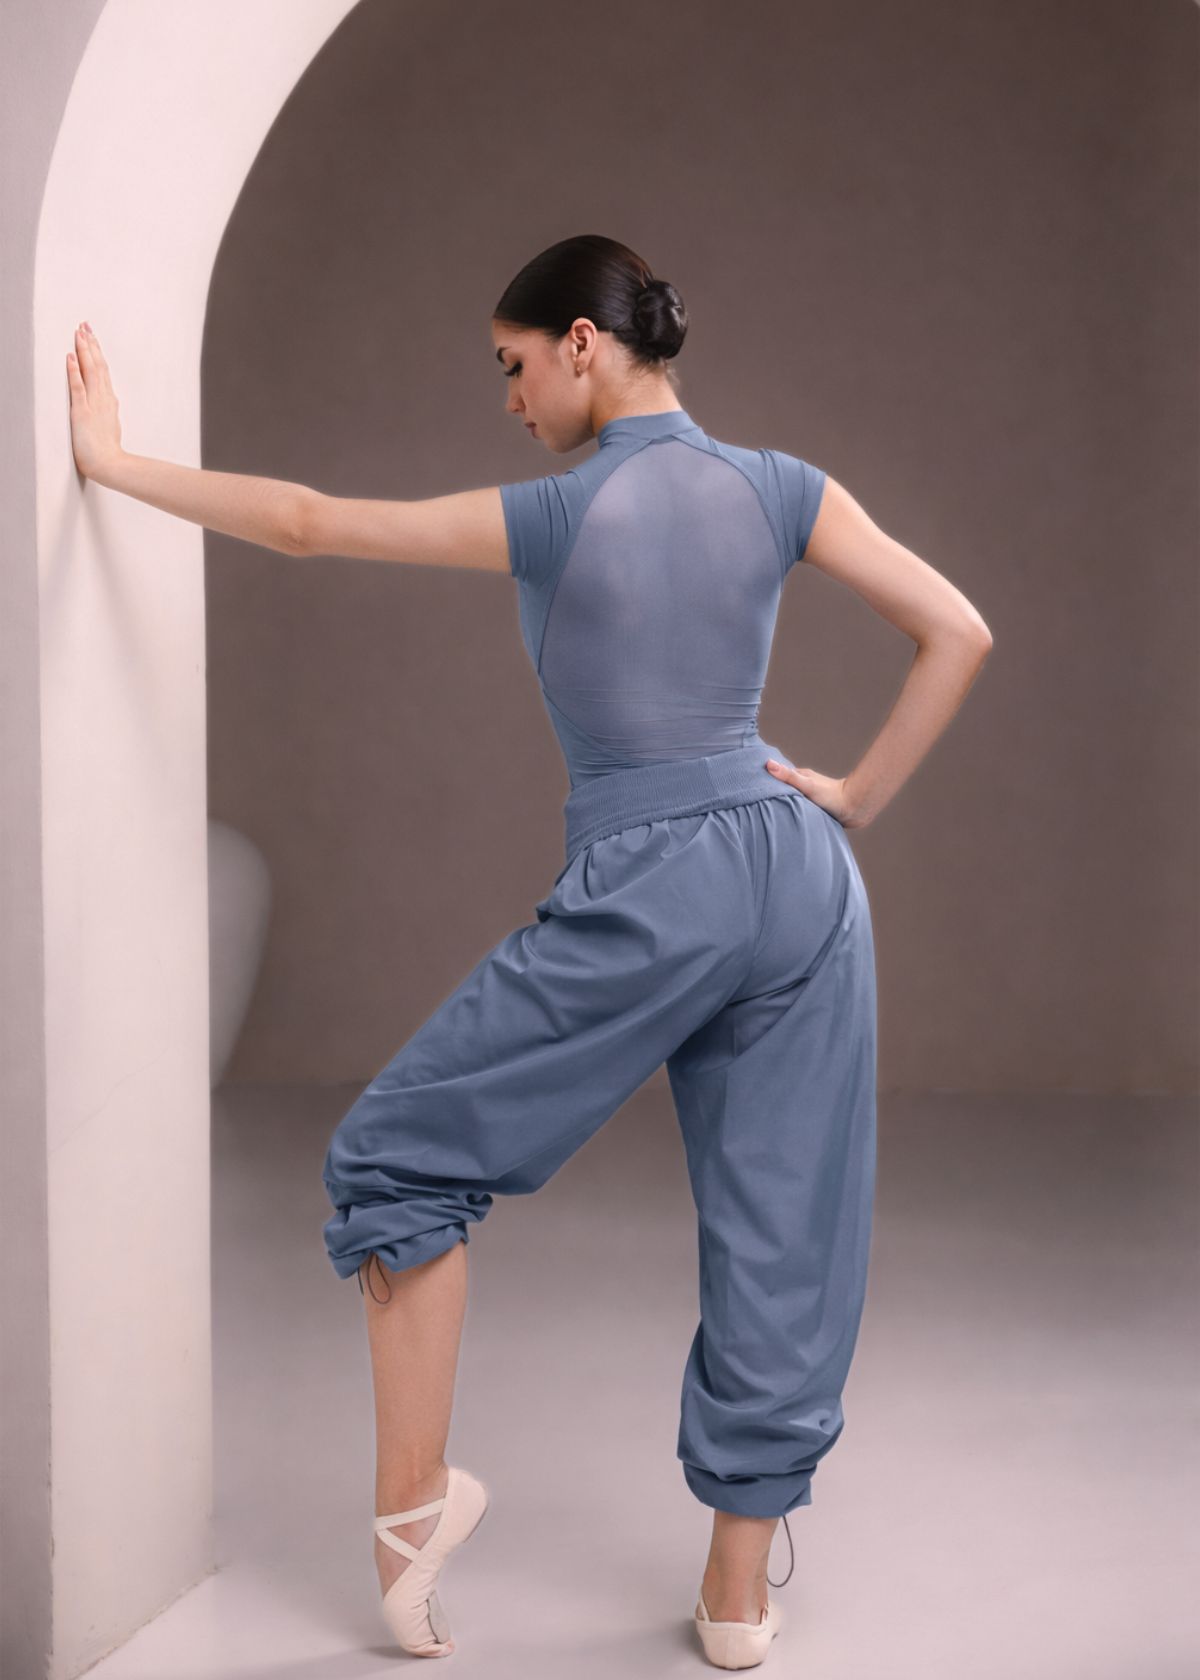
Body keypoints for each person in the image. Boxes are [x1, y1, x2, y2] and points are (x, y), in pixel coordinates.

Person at [66, 232, 992, 1670]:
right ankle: (737, 1595)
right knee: (786, 1231)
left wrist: (114, 466)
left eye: (512, 367)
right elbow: (959, 630)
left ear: (582, 345)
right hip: (802, 876)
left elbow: (307, 522)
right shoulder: (784, 487)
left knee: (397, 1161)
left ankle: (410, 1513)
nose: (507, 400)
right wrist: (855, 800)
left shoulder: (562, 512)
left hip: (663, 879)